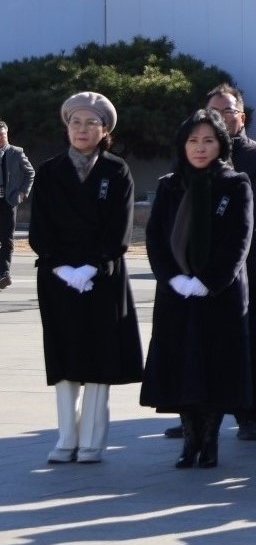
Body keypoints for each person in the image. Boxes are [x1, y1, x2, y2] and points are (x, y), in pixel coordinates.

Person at [31, 91, 143, 464]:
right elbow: (40, 228)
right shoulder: (48, 172)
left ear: (104, 129)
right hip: (58, 276)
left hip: (102, 276)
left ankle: (93, 441)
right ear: (66, 127)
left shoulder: (116, 170)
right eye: (75, 122)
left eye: (90, 122)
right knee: (64, 357)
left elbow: (119, 229)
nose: (82, 129)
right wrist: (62, 267)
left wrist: (92, 266)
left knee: (99, 358)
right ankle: (66, 439)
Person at [141, 109, 255, 469]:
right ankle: (189, 441)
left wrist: (209, 281)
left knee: (215, 367)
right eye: (193, 140)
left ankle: (210, 442)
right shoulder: (169, 184)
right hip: (176, 291)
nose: (200, 148)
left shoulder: (235, 183)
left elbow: (240, 238)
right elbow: (155, 237)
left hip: (219, 293)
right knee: (181, 366)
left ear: (221, 144)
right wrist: (173, 277)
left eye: (208, 140)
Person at [204, 84, 256, 440]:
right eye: (213, 112)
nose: (221, 118)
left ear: (242, 117)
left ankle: (248, 412)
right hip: (200, 264)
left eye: (228, 112)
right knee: (199, 340)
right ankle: (195, 411)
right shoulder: (194, 151)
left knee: (250, 339)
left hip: (246, 262)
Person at [0, 120, 34, 289]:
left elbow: (30, 173)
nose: (0, 138)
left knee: (7, 239)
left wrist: (22, 192)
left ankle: (4, 273)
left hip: (8, 202)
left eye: (3, 135)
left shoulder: (15, 152)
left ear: (7, 135)